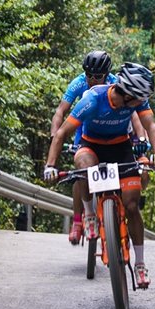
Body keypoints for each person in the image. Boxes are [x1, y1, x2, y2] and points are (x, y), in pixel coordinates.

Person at [43, 62, 155, 288]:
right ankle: (90, 216)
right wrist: (50, 166)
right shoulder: (93, 99)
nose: (142, 102)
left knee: (131, 205)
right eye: (140, 98)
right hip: (92, 146)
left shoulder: (137, 101)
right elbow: (61, 134)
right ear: (129, 94)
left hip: (121, 149)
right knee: (82, 164)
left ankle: (140, 264)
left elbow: (151, 126)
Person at [50, 51, 125, 245]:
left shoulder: (116, 83)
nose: (91, 80)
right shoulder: (79, 82)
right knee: (81, 173)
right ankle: (78, 220)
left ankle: (117, 216)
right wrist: (54, 135)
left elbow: (131, 114)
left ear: (107, 75)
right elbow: (61, 110)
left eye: (97, 77)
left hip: (111, 132)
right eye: (88, 75)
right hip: (83, 131)